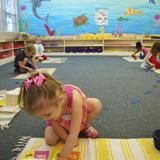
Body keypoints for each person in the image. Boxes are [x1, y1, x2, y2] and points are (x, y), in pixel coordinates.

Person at [18, 72, 102, 160]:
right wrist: (65, 138)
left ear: (60, 100)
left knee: (95, 104)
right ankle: (68, 127)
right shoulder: (51, 108)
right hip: (61, 120)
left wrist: (62, 157)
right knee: (50, 140)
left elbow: (73, 135)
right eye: (41, 116)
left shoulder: (74, 98)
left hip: (78, 116)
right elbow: (53, 122)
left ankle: (84, 126)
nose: (45, 119)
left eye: (47, 114)